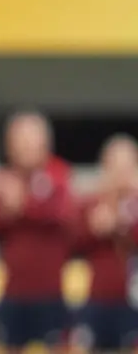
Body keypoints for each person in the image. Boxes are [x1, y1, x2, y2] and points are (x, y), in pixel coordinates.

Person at [0, 111, 75, 354]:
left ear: (45, 142)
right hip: (13, 291)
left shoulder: (59, 173)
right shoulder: (3, 178)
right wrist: (6, 209)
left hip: (50, 292)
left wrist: (22, 205)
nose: (24, 145)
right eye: (18, 139)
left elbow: (61, 213)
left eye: (30, 138)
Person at [71, 134, 138, 354]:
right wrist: (94, 228)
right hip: (97, 299)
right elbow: (73, 241)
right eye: (115, 166)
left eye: (126, 166)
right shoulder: (92, 203)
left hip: (132, 301)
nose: (120, 174)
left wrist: (121, 224)